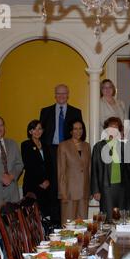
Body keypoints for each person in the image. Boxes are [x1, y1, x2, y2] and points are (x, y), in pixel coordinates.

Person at [40, 84, 83, 226]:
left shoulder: (76, 112)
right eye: (58, 93)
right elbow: (41, 134)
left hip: (69, 150)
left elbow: (79, 133)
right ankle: (55, 222)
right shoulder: (45, 111)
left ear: (68, 94)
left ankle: (67, 220)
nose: (61, 96)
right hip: (51, 150)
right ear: (55, 95)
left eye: (64, 93)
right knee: (54, 184)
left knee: (66, 183)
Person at [91, 117, 127, 220]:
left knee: (121, 218)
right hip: (105, 188)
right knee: (108, 218)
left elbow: (129, 170)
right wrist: (95, 190)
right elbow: (94, 169)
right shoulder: (98, 146)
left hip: (122, 188)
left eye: (116, 128)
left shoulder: (124, 146)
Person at [57, 119, 90, 222]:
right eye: (75, 129)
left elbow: (89, 169)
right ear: (71, 131)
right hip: (69, 193)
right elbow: (61, 171)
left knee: (82, 227)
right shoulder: (63, 146)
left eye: (80, 128)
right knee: (69, 226)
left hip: (84, 193)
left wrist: (89, 190)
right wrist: (62, 193)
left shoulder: (87, 146)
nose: (78, 131)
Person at [21, 119, 51, 219]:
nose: (37, 131)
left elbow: (50, 165)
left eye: (40, 129)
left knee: (44, 214)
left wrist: (48, 180)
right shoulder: (26, 145)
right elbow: (29, 165)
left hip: (46, 185)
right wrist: (41, 181)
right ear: (30, 131)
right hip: (32, 184)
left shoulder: (46, 146)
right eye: (34, 129)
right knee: (32, 216)